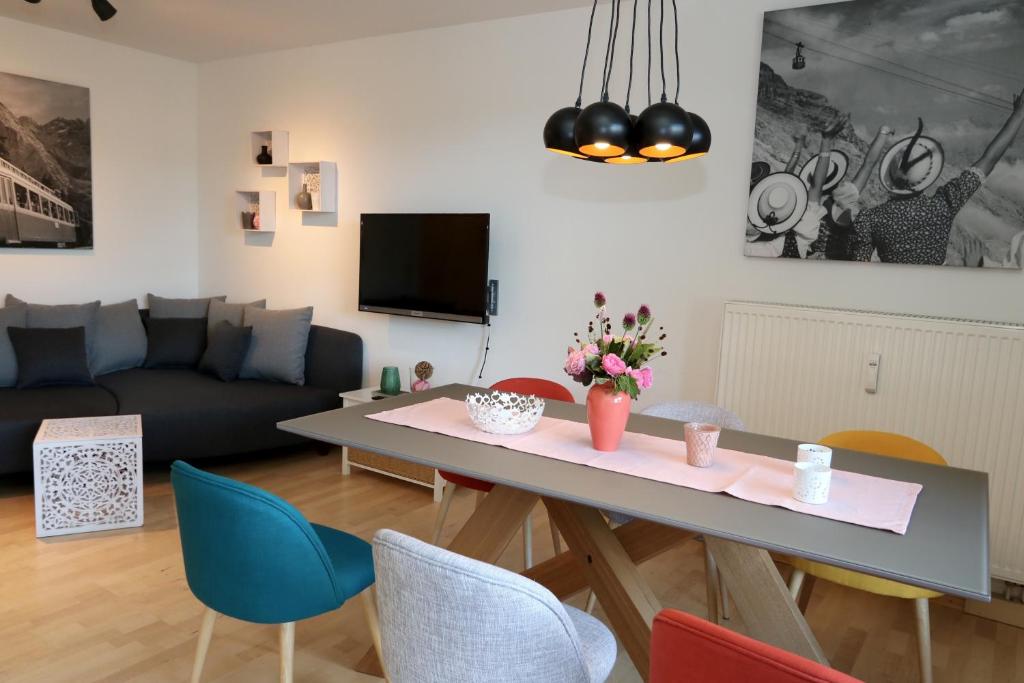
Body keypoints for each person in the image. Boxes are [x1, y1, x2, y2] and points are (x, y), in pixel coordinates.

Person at [851, 88, 1024, 265]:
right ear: (925, 179)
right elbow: (989, 159)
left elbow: (861, 269)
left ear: (890, 178)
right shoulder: (944, 204)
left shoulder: (869, 219)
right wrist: (1019, 113)